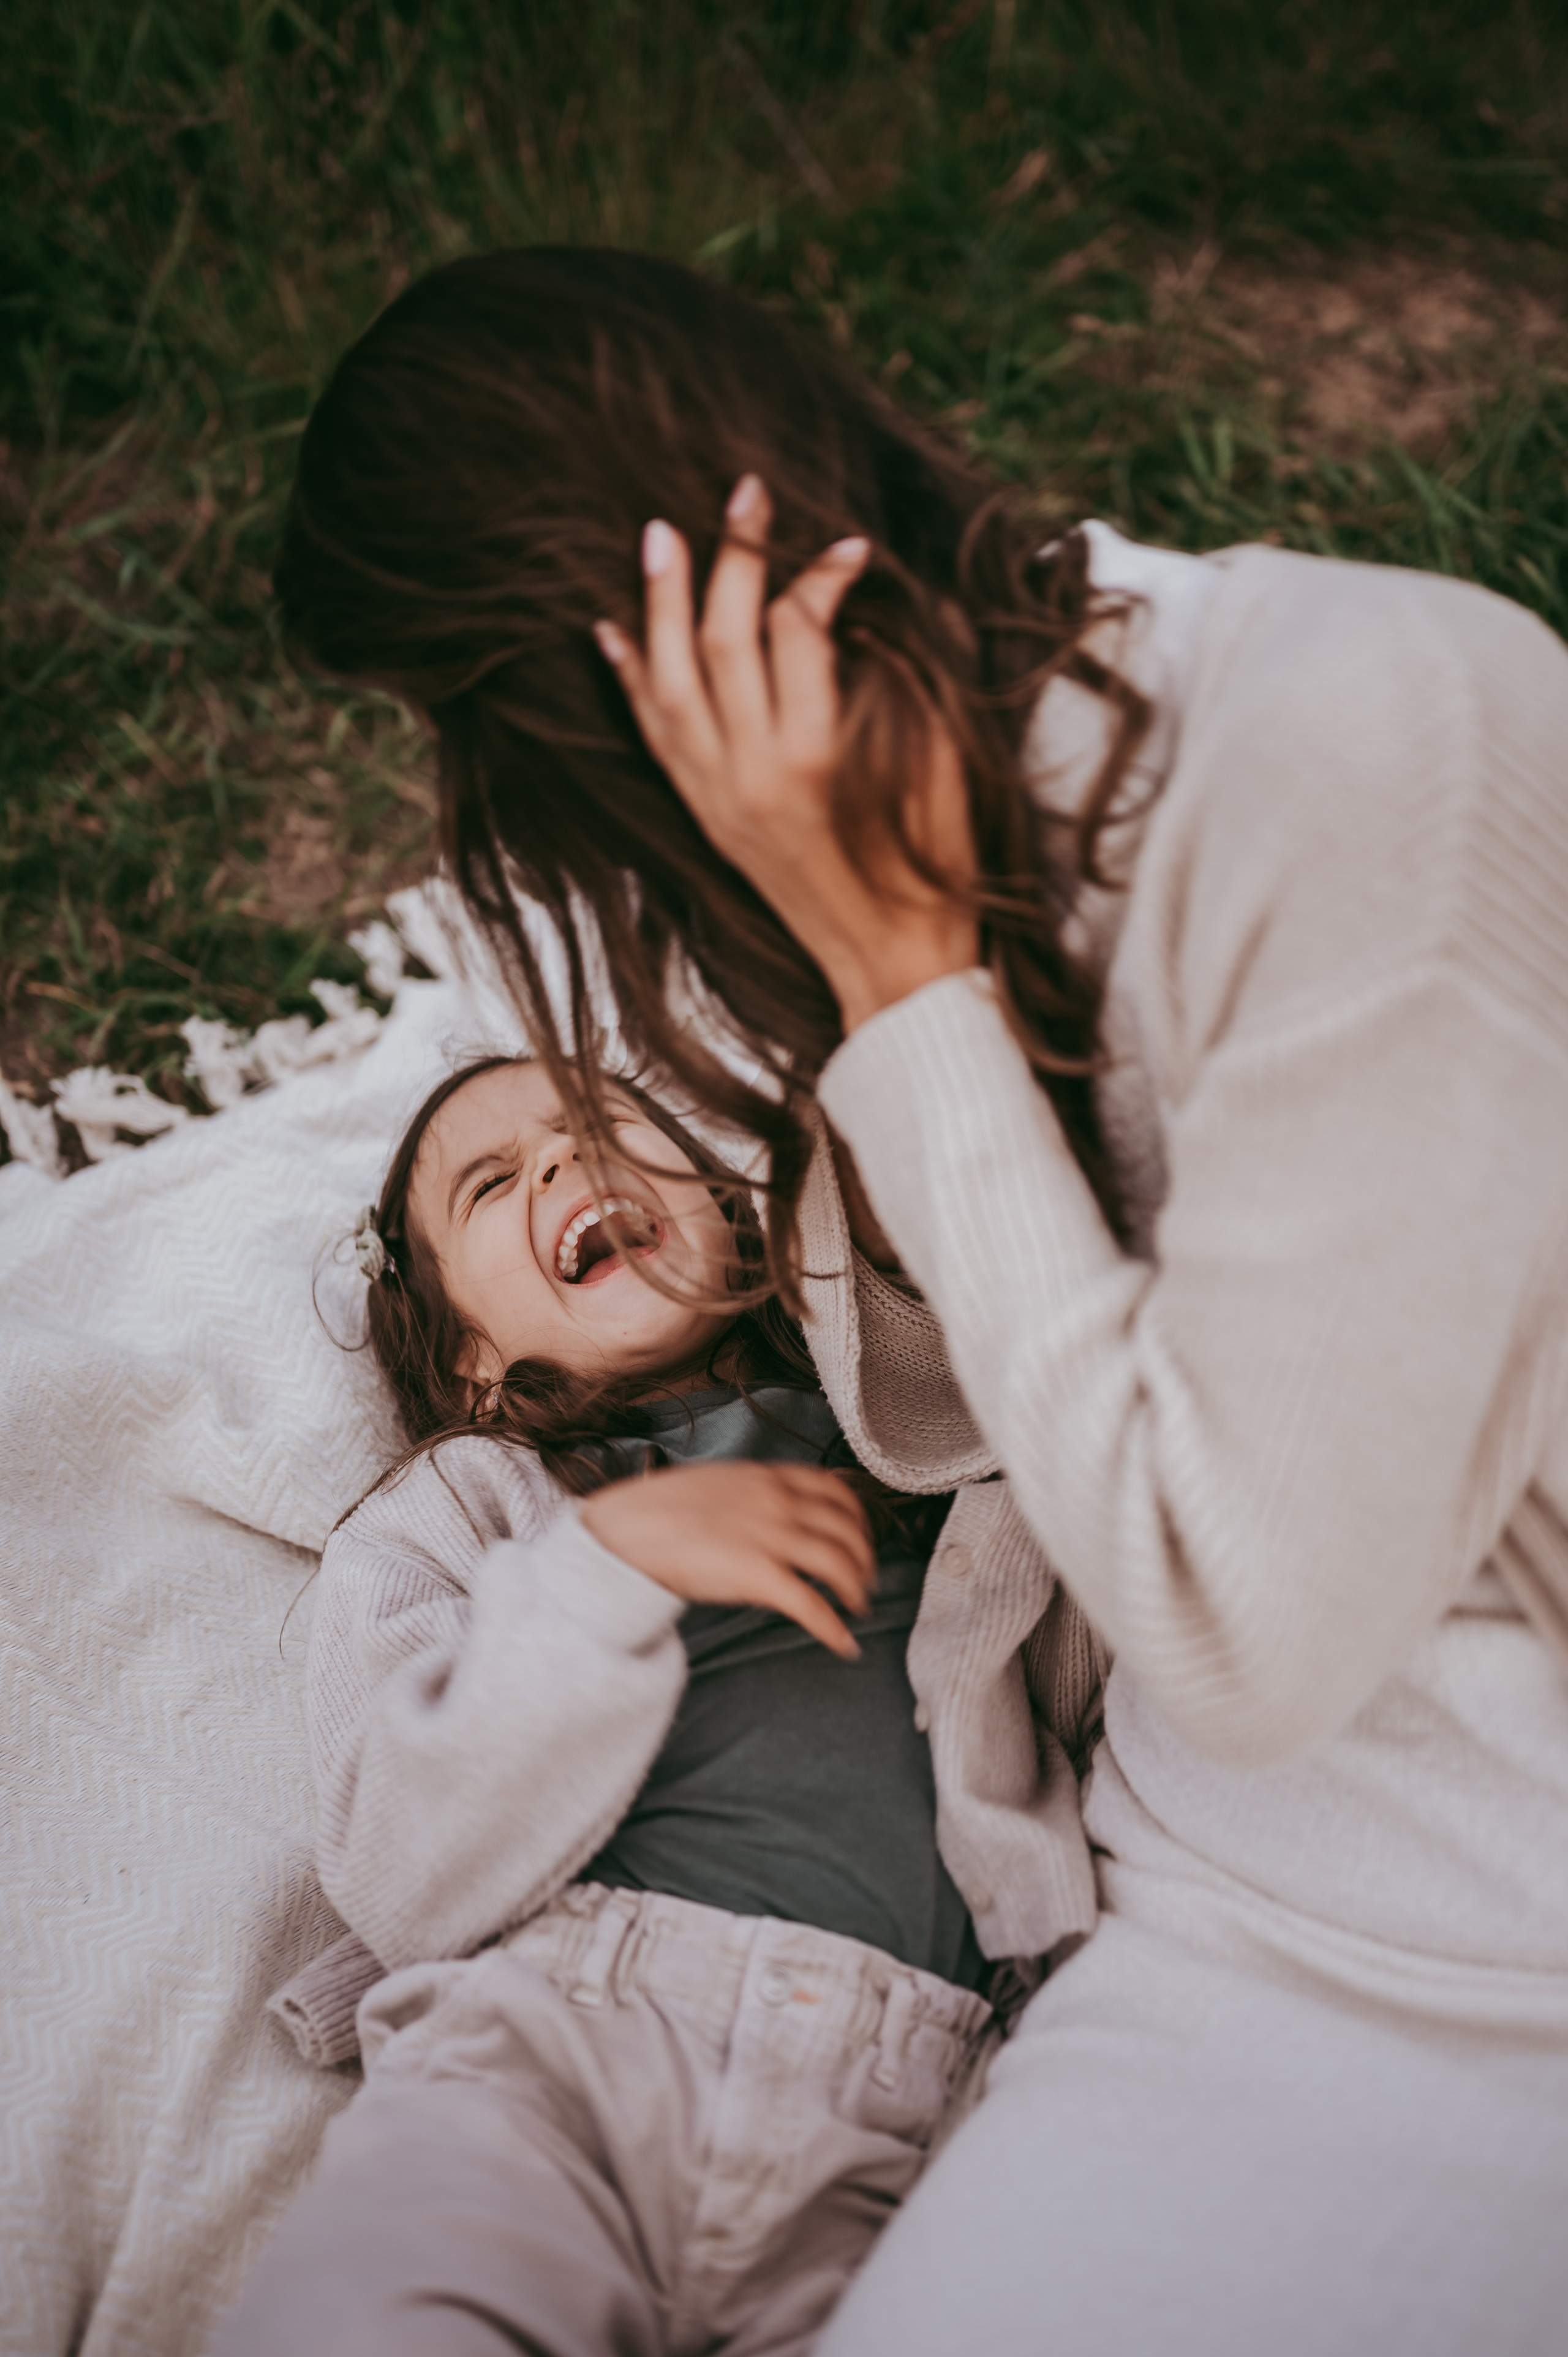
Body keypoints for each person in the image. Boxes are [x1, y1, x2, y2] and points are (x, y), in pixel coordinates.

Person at [274, 247, 1568, 2353]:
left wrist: (902, 986)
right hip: (1127, 1900)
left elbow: (1238, 1630)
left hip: (1477, 1879)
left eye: (478, 741)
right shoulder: (773, 909)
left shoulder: (1369, 756)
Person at [213, 1053, 1100, 2357]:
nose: (565, 1164)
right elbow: (398, 1866)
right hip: (554, 2066)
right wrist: (609, 1568)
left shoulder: (889, 1410)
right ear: (469, 1359)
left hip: (899, 2113)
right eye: (495, 1181)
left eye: (597, 1128)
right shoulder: (461, 1511)